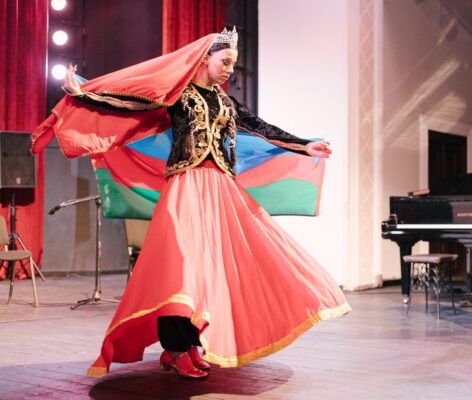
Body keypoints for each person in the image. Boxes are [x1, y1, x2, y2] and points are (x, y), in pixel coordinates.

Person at [32, 28, 350, 378]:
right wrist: (84, 92)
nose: (230, 69)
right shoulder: (178, 94)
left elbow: (260, 127)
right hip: (186, 187)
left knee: (210, 269)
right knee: (180, 269)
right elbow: (131, 102)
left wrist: (303, 145)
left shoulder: (226, 102)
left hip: (220, 189)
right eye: (225, 61)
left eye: (233, 64)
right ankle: (175, 348)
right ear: (204, 59)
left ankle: (191, 344)